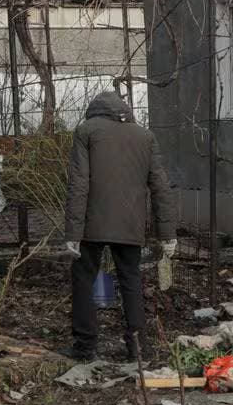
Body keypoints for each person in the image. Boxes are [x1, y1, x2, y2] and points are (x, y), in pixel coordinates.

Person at [63, 91, 177, 363]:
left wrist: (72, 232)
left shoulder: (86, 131)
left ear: (95, 112)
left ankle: (85, 346)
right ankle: (136, 348)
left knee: (83, 278)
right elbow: (160, 186)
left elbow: (79, 184)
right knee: (131, 279)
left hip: (92, 223)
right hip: (131, 223)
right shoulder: (145, 136)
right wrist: (167, 233)